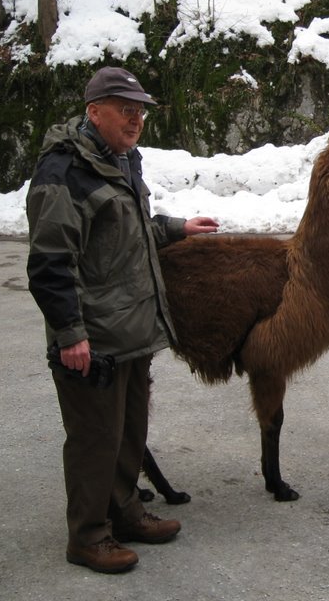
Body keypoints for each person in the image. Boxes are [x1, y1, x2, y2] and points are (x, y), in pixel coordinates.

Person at [26, 66, 220, 573]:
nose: (136, 119)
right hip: (93, 338)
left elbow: (131, 234)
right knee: (96, 439)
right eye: (125, 109)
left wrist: (177, 227)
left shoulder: (122, 161)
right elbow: (50, 262)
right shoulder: (64, 173)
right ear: (94, 112)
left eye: (140, 112)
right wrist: (70, 334)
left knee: (128, 432)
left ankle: (126, 513)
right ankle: (88, 537)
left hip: (132, 329)